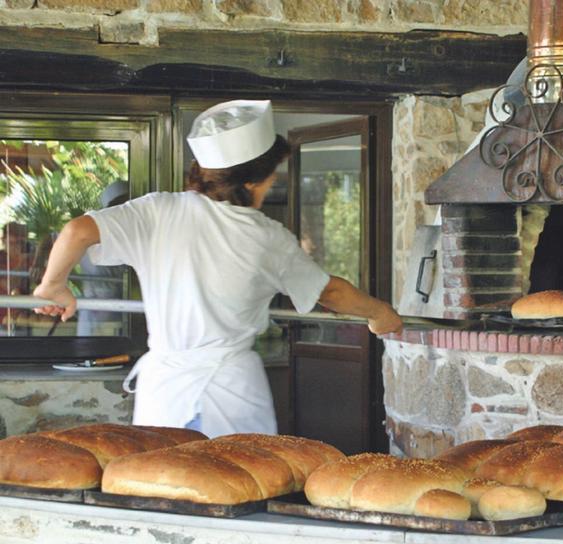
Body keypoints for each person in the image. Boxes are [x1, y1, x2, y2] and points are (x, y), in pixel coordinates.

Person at [32, 99, 403, 437]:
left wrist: (53, 285)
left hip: (165, 394)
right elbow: (330, 291)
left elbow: (78, 231)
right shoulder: (266, 237)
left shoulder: (158, 211)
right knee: (234, 482)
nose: (273, 181)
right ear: (251, 181)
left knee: (162, 482)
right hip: (229, 395)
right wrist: (379, 312)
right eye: (271, 174)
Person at [76, 180, 128, 336]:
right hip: (92, 311)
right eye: (118, 206)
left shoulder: (129, 238)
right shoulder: (89, 232)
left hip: (121, 314)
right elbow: (53, 240)